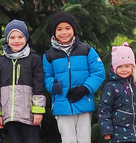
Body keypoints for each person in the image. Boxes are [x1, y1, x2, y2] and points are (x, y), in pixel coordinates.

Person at [42, 11, 106, 143]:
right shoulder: (49, 55)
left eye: (67, 28)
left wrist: (85, 88)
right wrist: (52, 85)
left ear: (73, 30)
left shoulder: (86, 50)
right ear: (54, 32)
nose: (64, 32)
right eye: (59, 29)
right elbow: (46, 76)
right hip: (62, 104)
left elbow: (99, 72)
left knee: (84, 139)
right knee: (68, 139)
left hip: (83, 101)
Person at [0, 20, 46, 143]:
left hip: (29, 115)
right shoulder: (0, 62)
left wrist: (38, 110)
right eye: (12, 37)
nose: (16, 41)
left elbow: (39, 86)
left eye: (20, 37)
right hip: (9, 116)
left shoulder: (34, 59)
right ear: (7, 39)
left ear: (26, 38)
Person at [97, 43, 136, 142]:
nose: (124, 70)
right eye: (120, 67)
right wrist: (107, 130)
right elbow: (104, 109)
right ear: (114, 68)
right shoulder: (111, 86)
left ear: (132, 67)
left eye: (127, 66)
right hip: (119, 135)